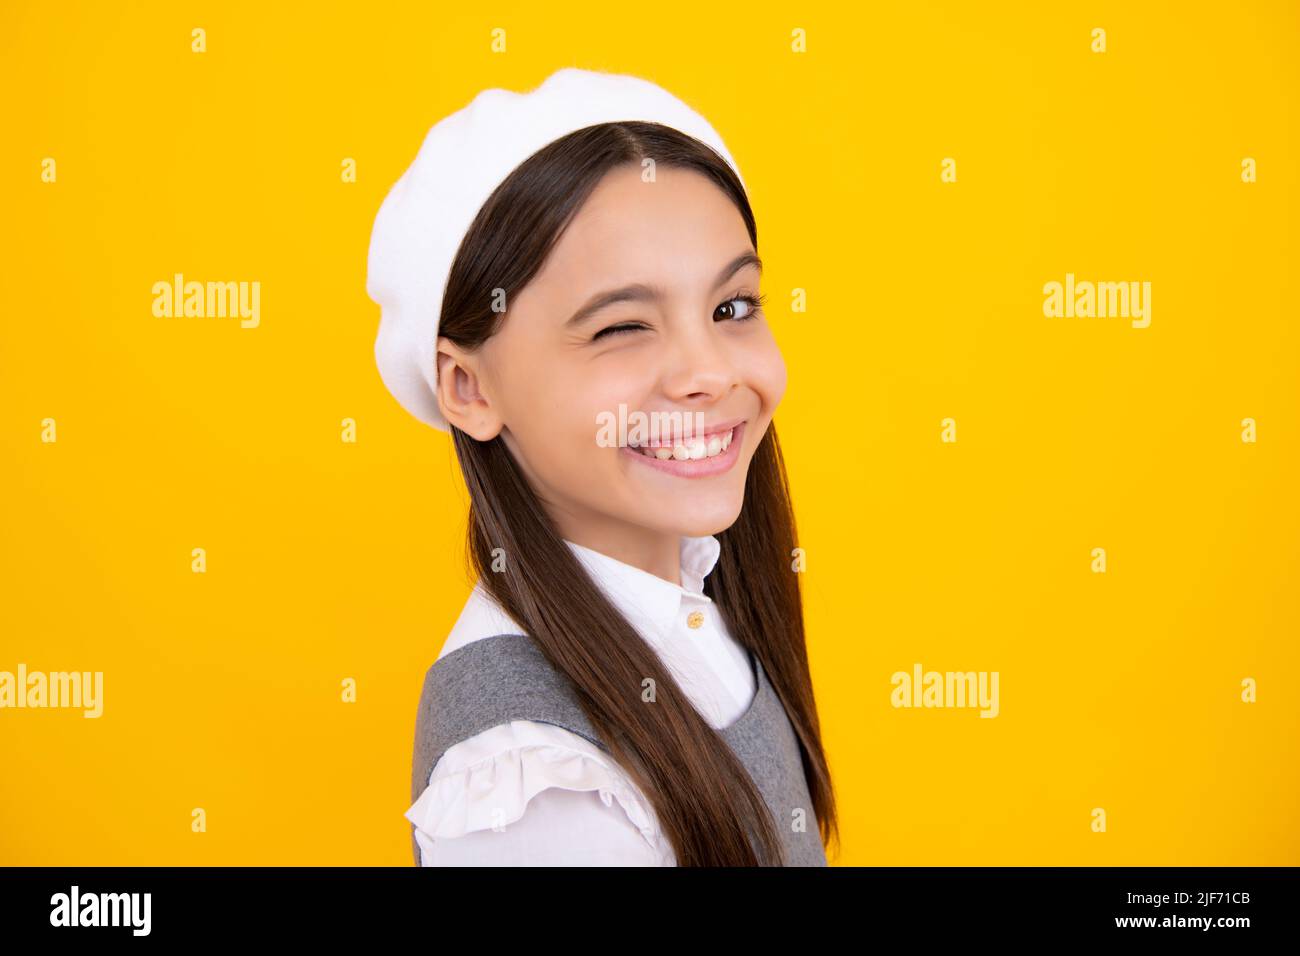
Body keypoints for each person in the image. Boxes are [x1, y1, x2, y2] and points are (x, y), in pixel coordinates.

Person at [366, 67, 837, 866]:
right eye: (623, 327)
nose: (709, 372)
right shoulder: (536, 780)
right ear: (469, 387)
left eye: (732, 309)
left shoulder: (702, 599)